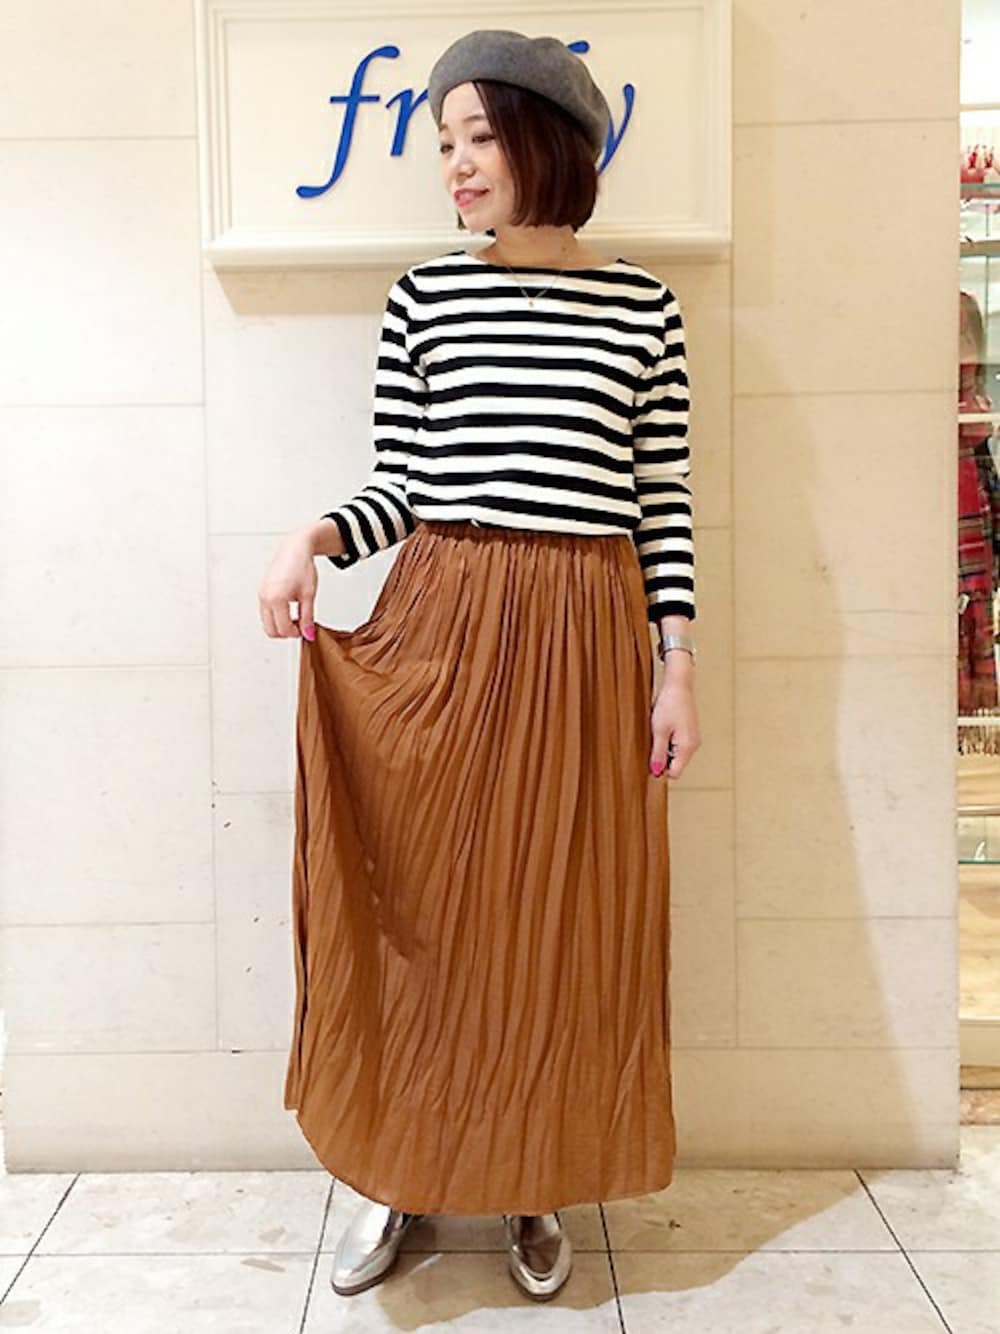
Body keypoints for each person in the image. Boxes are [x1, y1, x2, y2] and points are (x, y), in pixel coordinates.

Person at [257, 27, 701, 1303]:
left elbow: (659, 502)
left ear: (547, 143)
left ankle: (532, 1179)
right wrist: (313, 537)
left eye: (477, 138)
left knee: (552, 918)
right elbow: (403, 484)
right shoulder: (426, 298)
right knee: (426, 910)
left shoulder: (643, 307)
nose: (453, 165)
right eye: (443, 143)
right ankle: (401, 1167)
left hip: (583, 633)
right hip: (442, 622)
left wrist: (676, 663)